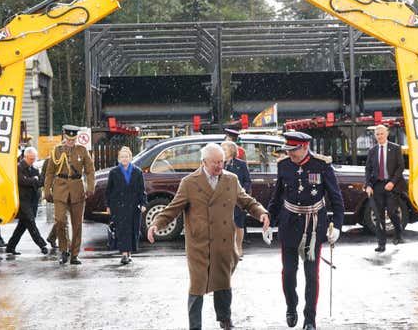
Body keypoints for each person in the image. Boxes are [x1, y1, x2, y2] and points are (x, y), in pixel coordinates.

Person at [147, 143, 270, 330]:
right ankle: (195, 326)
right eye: (215, 163)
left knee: (223, 283)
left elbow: (246, 201)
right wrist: (156, 224)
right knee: (197, 286)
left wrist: (261, 212)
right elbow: (172, 209)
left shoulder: (231, 180)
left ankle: (225, 319)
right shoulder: (189, 182)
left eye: (222, 162)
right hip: (199, 244)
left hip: (223, 243)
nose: (219, 166)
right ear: (204, 162)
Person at [267, 131, 344, 330]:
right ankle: (291, 306)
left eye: (293, 150)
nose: (290, 154)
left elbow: (336, 198)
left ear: (304, 147)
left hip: (313, 226)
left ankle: (310, 319)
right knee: (289, 273)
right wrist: (269, 221)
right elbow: (277, 197)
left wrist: (337, 225)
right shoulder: (284, 165)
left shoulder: (321, 165)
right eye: (288, 150)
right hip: (289, 224)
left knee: (312, 275)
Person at [43, 125, 95, 265]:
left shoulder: (82, 151)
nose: (71, 141)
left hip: (77, 188)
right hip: (60, 188)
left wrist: (90, 187)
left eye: (73, 139)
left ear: (76, 138)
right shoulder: (56, 151)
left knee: (77, 224)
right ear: (64, 137)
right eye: (68, 139)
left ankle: (74, 255)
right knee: (60, 221)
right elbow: (49, 173)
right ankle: (64, 249)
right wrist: (46, 190)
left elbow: (90, 171)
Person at [364, 124, 406, 252]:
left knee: (392, 212)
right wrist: (368, 185)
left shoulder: (395, 148)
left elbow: (401, 167)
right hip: (378, 186)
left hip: (392, 186)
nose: (379, 136)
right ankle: (381, 244)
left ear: (387, 134)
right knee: (378, 215)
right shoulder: (372, 151)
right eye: (377, 134)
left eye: (382, 133)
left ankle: (398, 234)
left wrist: (392, 182)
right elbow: (368, 170)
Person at [105, 146, 147, 265]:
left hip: (133, 206)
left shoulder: (137, 171)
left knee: (132, 230)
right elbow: (109, 190)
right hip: (118, 206)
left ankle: (129, 253)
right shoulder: (113, 172)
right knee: (122, 230)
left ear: (130, 158)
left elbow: (142, 190)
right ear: (119, 159)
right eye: (122, 157)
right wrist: (108, 205)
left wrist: (143, 203)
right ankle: (124, 254)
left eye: (126, 156)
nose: (124, 159)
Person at [5, 147, 49, 255]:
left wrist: (33, 181)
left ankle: (10, 247)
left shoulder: (34, 169)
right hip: (22, 201)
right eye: (30, 159)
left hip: (32, 201)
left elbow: (40, 182)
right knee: (31, 223)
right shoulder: (18, 168)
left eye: (34, 159)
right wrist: (33, 180)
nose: (32, 161)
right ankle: (42, 245)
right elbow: (21, 180)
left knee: (22, 226)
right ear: (25, 157)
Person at [221, 140, 251, 258]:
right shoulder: (219, 164)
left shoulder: (241, 164)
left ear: (232, 151)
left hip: (237, 200)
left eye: (225, 149)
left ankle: (238, 248)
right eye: (221, 149)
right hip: (223, 200)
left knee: (238, 224)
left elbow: (247, 181)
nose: (222, 151)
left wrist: (241, 192)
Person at [41, 156, 70, 251]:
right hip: (58, 191)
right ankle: (67, 244)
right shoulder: (50, 160)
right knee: (63, 218)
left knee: (61, 218)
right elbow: (45, 176)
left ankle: (52, 237)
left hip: (68, 190)